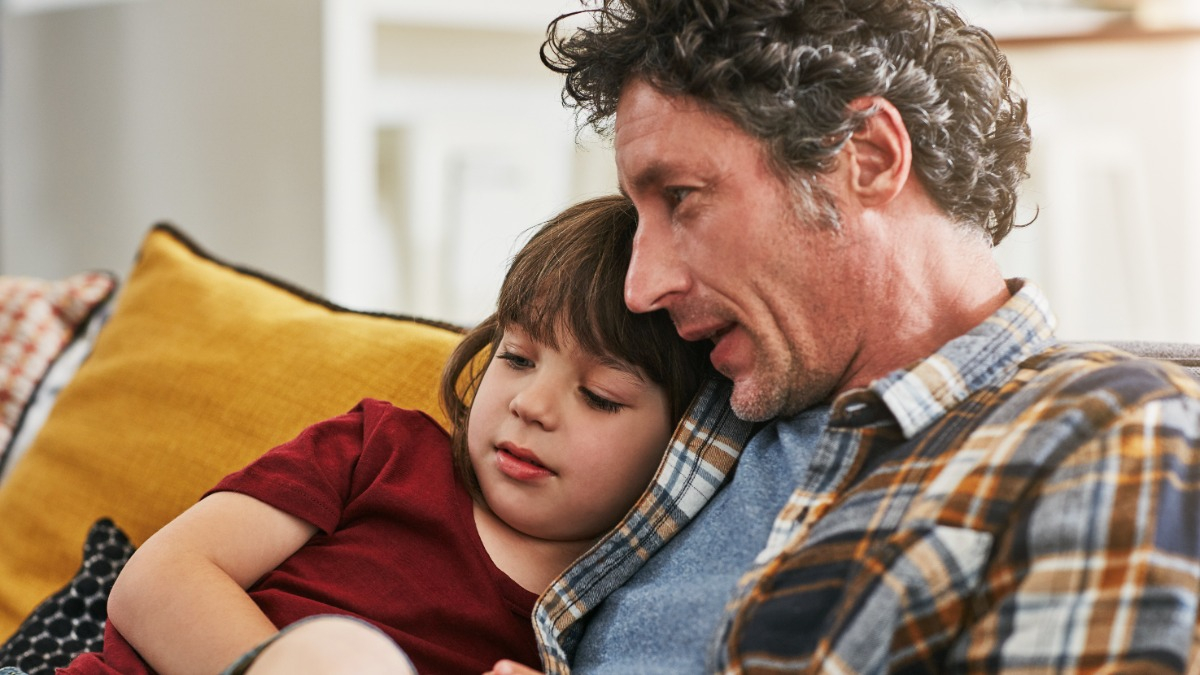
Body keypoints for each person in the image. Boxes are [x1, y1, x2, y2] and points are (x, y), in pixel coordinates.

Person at [487, 0, 1200, 673]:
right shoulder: (695, 398)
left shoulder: (1108, 433)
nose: (641, 287)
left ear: (872, 157)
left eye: (680, 198)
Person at [48, 194, 712, 675]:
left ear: (680, 445)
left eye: (598, 395)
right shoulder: (380, 449)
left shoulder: (611, 614)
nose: (531, 404)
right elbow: (157, 579)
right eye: (516, 357)